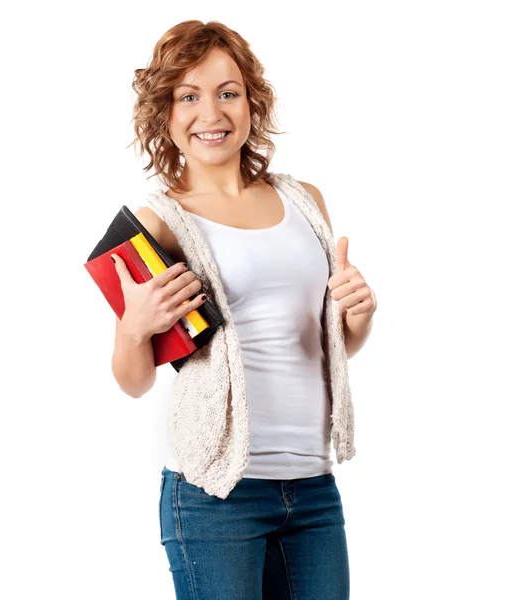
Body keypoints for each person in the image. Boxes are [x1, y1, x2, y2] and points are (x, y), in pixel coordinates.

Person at [111, 20, 376, 600]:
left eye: (228, 92)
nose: (212, 112)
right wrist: (135, 327)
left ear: (251, 101)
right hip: (215, 497)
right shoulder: (158, 222)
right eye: (188, 95)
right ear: (166, 114)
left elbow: (326, 343)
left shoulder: (304, 200)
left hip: (312, 488)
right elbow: (132, 380)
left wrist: (357, 318)